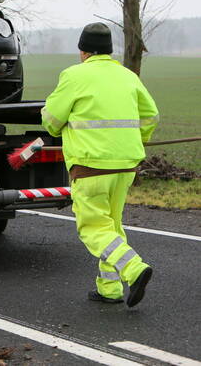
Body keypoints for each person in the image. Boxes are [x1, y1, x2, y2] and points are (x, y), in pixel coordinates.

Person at [41, 22, 158, 307]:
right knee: (112, 225)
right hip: (127, 165)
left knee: (92, 228)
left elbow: (52, 123)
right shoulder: (128, 76)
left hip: (91, 166)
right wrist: (135, 140)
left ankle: (133, 269)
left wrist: (52, 116)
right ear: (108, 50)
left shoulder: (74, 75)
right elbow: (151, 115)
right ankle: (109, 288)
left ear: (83, 51)